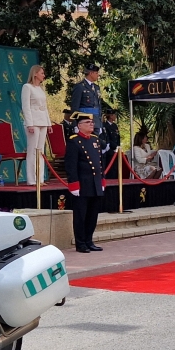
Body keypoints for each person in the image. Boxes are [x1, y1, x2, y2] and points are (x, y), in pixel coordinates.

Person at [65, 110, 105, 253]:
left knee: (92, 215)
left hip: (95, 183)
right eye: (88, 122)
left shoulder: (95, 140)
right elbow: (71, 165)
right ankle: (80, 243)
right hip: (82, 184)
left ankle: (89, 241)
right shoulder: (74, 141)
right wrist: (74, 184)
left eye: (92, 122)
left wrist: (102, 180)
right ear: (79, 125)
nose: (91, 124)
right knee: (81, 215)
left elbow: (100, 162)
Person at [21, 64, 51, 185]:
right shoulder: (27, 87)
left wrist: (49, 123)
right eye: (42, 73)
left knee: (40, 150)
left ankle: (40, 178)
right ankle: (32, 179)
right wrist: (29, 124)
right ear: (35, 74)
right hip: (33, 121)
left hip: (42, 121)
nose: (43, 75)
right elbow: (26, 107)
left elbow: (45, 107)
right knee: (33, 150)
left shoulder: (40, 88)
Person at [69, 63, 102, 135]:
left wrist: (100, 124)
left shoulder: (96, 87)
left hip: (96, 122)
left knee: (95, 141)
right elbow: (75, 106)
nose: (98, 75)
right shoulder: (80, 86)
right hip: (84, 122)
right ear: (91, 73)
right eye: (96, 73)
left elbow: (98, 106)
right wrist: (75, 124)